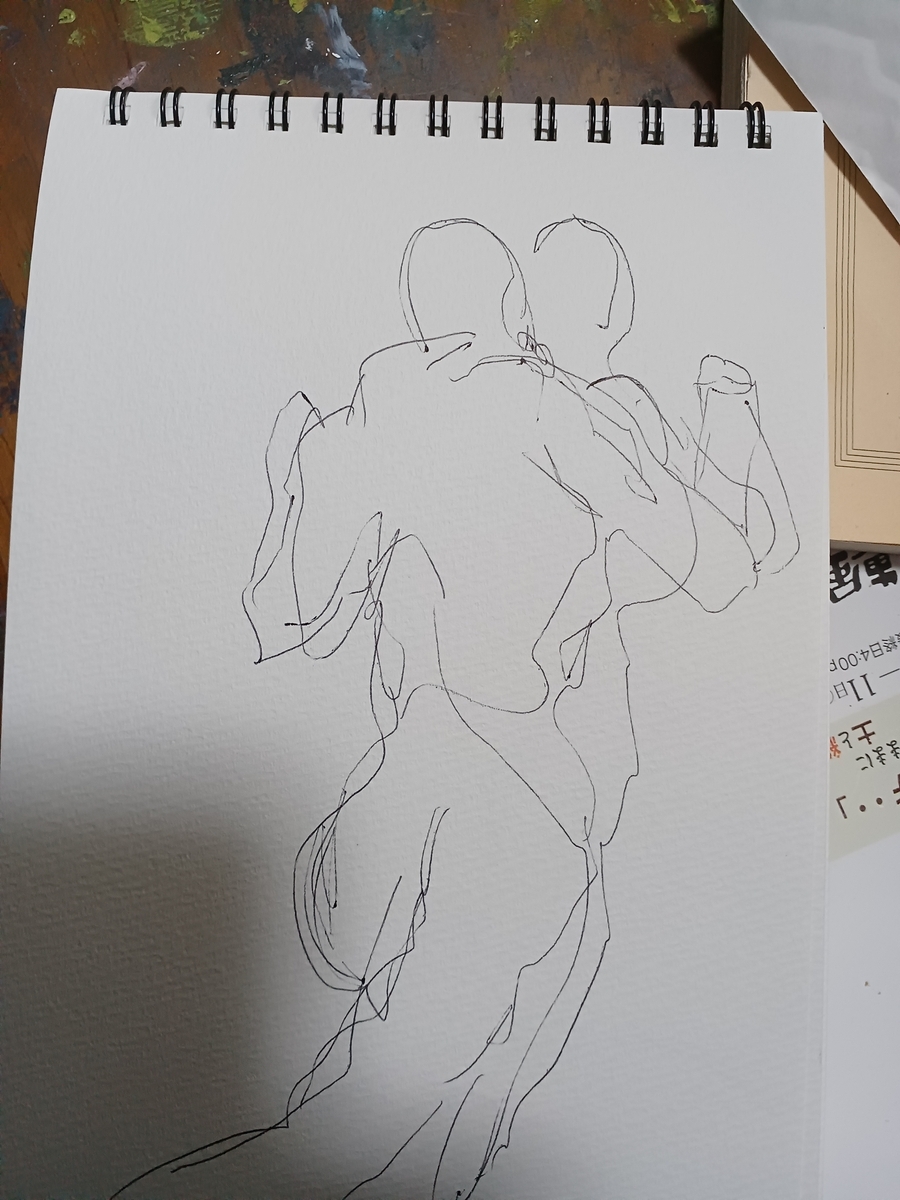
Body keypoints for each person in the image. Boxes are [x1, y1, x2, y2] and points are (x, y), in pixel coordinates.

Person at [115, 218, 798, 1200]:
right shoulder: (567, 413)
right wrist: (720, 435)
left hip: (393, 793)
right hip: (517, 803)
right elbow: (725, 567)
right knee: (378, 1124)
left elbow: (281, 617)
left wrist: (289, 478)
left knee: (388, 1108)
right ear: (517, 307)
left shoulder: (363, 420)